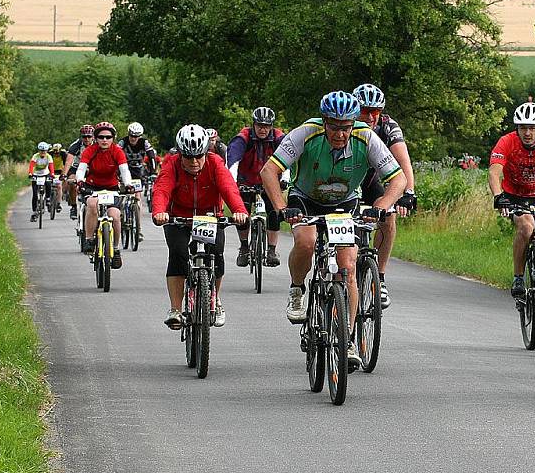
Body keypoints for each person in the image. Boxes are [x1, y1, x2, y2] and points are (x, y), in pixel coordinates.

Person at [260, 91, 406, 371]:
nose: (340, 133)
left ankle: (347, 339)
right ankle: (296, 289)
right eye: (334, 126)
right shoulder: (305, 133)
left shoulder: (366, 137)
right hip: (305, 198)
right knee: (306, 240)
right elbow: (269, 171)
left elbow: (397, 178)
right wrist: (281, 207)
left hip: (345, 202)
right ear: (324, 121)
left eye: (346, 127)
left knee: (348, 266)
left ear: (353, 123)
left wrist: (382, 205)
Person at [152, 125, 249, 328]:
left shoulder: (215, 163)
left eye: (199, 156)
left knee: (217, 252)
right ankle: (176, 309)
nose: (194, 162)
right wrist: (160, 212)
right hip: (178, 216)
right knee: (178, 253)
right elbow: (162, 189)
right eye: (188, 157)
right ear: (180, 154)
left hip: (210, 215)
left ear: (206, 152)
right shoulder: (171, 164)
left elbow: (229, 188)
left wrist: (240, 211)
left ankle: (215, 298)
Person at [488, 101, 535, 297]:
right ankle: (519, 277)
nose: (527, 133)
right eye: (523, 128)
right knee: (526, 227)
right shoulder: (507, 142)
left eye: (532, 128)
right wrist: (498, 196)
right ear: (517, 128)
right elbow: (494, 172)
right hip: (515, 197)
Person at [352, 83, 417, 309]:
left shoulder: (389, 127)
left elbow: (403, 160)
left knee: (387, 216)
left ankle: (379, 277)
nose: (370, 116)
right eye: (365, 110)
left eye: (375, 111)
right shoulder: (345, 124)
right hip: (345, 182)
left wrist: (408, 192)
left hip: (371, 180)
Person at [227, 106, 285, 267]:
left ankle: (272, 250)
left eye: (266, 126)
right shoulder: (243, 137)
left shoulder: (278, 137)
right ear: (253, 124)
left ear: (271, 126)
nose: (263, 129)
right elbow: (233, 159)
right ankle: (244, 247)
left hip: (270, 181)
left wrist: (285, 178)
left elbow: (288, 157)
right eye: (259, 125)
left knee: (275, 211)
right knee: (241, 213)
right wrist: (232, 179)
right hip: (246, 180)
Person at [75, 122, 132, 268]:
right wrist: (80, 181)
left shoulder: (117, 151)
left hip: (112, 187)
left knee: (115, 215)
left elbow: (124, 170)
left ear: (113, 138)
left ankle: (116, 248)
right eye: (101, 137)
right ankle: (89, 239)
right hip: (92, 186)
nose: (104, 140)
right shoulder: (90, 150)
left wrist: (128, 184)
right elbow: (81, 169)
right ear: (96, 138)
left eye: (108, 137)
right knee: (92, 204)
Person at [118, 122, 157, 236]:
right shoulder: (122, 142)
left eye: (136, 136)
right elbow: (114, 153)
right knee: (121, 197)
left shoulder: (144, 142)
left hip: (137, 171)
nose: (133, 139)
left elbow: (152, 157)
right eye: (132, 136)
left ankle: (138, 229)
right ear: (128, 134)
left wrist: (153, 172)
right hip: (124, 169)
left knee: (137, 199)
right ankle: (121, 218)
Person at [65, 124, 95, 219]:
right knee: (72, 182)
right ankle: (73, 207)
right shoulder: (76, 145)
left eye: (89, 136)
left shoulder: (98, 144)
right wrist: (64, 174)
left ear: (93, 136)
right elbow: (69, 160)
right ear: (81, 137)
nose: (86, 139)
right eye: (84, 137)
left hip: (92, 168)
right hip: (77, 168)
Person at [27, 142, 55, 222]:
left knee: (48, 183)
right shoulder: (35, 156)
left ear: (46, 151)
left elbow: (51, 166)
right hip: (36, 174)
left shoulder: (49, 157)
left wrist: (52, 173)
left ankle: (48, 198)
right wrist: (30, 173)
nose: (43, 153)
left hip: (45, 174)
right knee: (35, 194)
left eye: (44, 151)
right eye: (41, 151)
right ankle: (34, 211)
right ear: (39, 151)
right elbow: (32, 165)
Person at [49, 143, 67, 211]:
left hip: (60, 171)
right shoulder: (50, 153)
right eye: (55, 153)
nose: (56, 154)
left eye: (58, 153)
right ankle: (47, 198)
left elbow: (66, 164)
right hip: (51, 171)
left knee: (59, 186)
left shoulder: (63, 154)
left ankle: (59, 204)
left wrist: (64, 174)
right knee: (48, 183)